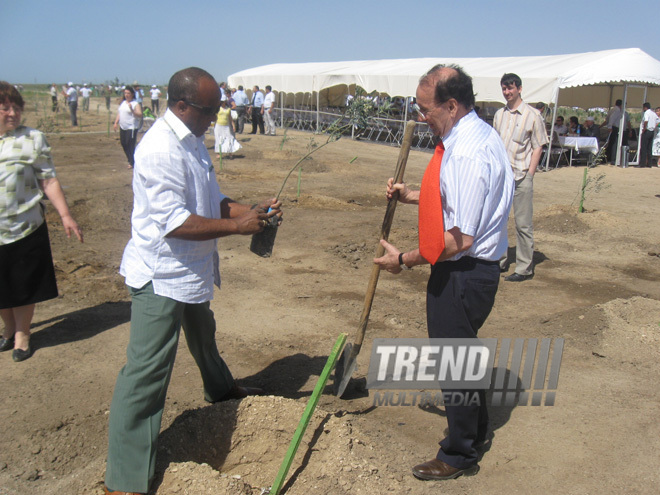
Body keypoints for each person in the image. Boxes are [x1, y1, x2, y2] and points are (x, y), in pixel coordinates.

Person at [103, 67, 281, 495]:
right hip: (162, 273)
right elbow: (174, 222)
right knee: (146, 372)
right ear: (183, 106)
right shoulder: (160, 149)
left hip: (190, 267)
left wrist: (248, 211)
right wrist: (238, 230)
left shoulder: (192, 141)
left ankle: (220, 388)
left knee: (203, 332)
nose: (217, 115)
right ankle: (123, 480)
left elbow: (211, 201)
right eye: (211, 109)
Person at [374, 65, 513, 482]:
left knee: (454, 362)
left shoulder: (467, 152)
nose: (421, 116)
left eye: (425, 109)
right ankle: (476, 431)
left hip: (464, 272)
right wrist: (413, 195)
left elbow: (458, 238)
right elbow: (455, 199)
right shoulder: (472, 134)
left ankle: (458, 454)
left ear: (451, 105)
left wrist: (404, 261)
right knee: (463, 358)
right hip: (471, 270)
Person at [0, 81, 83, 363]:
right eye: (5, 107)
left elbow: (48, 179)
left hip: (25, 226)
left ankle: (22, 335)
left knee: (23, 283)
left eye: (16, 108)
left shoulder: (32, 139)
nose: (12, 113)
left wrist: (65, 215)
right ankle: (8, 329)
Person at [493, 73, 548, 282]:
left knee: (523, 224)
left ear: (519, 89)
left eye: (511, 88)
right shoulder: (499, 115)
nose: (507, 92)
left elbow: (538, 146)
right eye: (505, 88)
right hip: (502, 177)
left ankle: (524, 268)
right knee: (498, 220)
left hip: (521, 175)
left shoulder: (533, 115)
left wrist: (530, 174)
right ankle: (499, 260)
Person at [113, 86, 143, 169]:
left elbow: (140, 115)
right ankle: (131, 160)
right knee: (124, 143)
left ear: (132, 94)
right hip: (123, 126)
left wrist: (132, 110)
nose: (126, 95)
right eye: (125, 93)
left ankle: (133, 162)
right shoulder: (123, 103)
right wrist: (116, 122)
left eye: (128, 93)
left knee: (130, 144)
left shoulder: (135, 104)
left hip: (132, 127)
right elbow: (119, 113)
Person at [605, 99, 630, 163]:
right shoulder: (617, 110)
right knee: (615, 144)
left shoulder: (612, 110)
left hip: (616, 128)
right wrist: (610, 126)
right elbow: (611, 118)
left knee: (612, 143)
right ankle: (613, 159)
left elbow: (607, 118)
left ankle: (610, 158)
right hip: (615, 128)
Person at [639, 102, 658, 168]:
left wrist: (644, 128)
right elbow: (657, 121)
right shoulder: (653, 113)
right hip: (652, 131)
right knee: (649, 148)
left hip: (647, 131)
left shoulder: (646, 113)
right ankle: (649, 163)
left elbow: (646, 121)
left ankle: (642, 163)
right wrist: (653, 127)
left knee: (644, 147)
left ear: (645, 107)